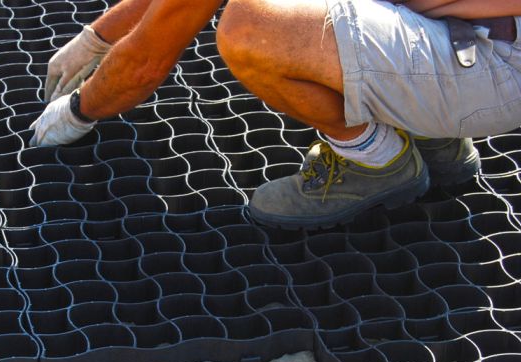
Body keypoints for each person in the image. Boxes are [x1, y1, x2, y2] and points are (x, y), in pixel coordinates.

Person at [30, 0, 521, 230]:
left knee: (253, 31)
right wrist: (97, 37)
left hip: (497, 67)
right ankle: (434, 138)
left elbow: (145, 64)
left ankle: (375, 162)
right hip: (474, 37)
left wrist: (77, 112)